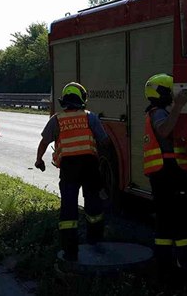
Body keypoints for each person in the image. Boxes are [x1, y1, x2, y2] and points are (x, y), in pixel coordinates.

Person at [35, 82, 110, 262]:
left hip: (69, 168)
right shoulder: (90, 117)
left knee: (68, 207)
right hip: (90, 166)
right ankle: (95, 240)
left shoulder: (56, 119)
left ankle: (70, 251)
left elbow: (44, 142)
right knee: (93, 205)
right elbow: (104, 141)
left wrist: (39, 160)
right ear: (81, 99)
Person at [143, 73, 187, 281]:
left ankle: (164, 266)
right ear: (162, 93)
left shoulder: (157, 111)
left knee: (165, 220)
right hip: (169, 172)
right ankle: (183, 267)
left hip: (163, 173)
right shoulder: (158, 114)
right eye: (170, 91)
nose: (173, 95)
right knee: (182, 219)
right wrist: (180, 106)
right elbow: (164, 131)